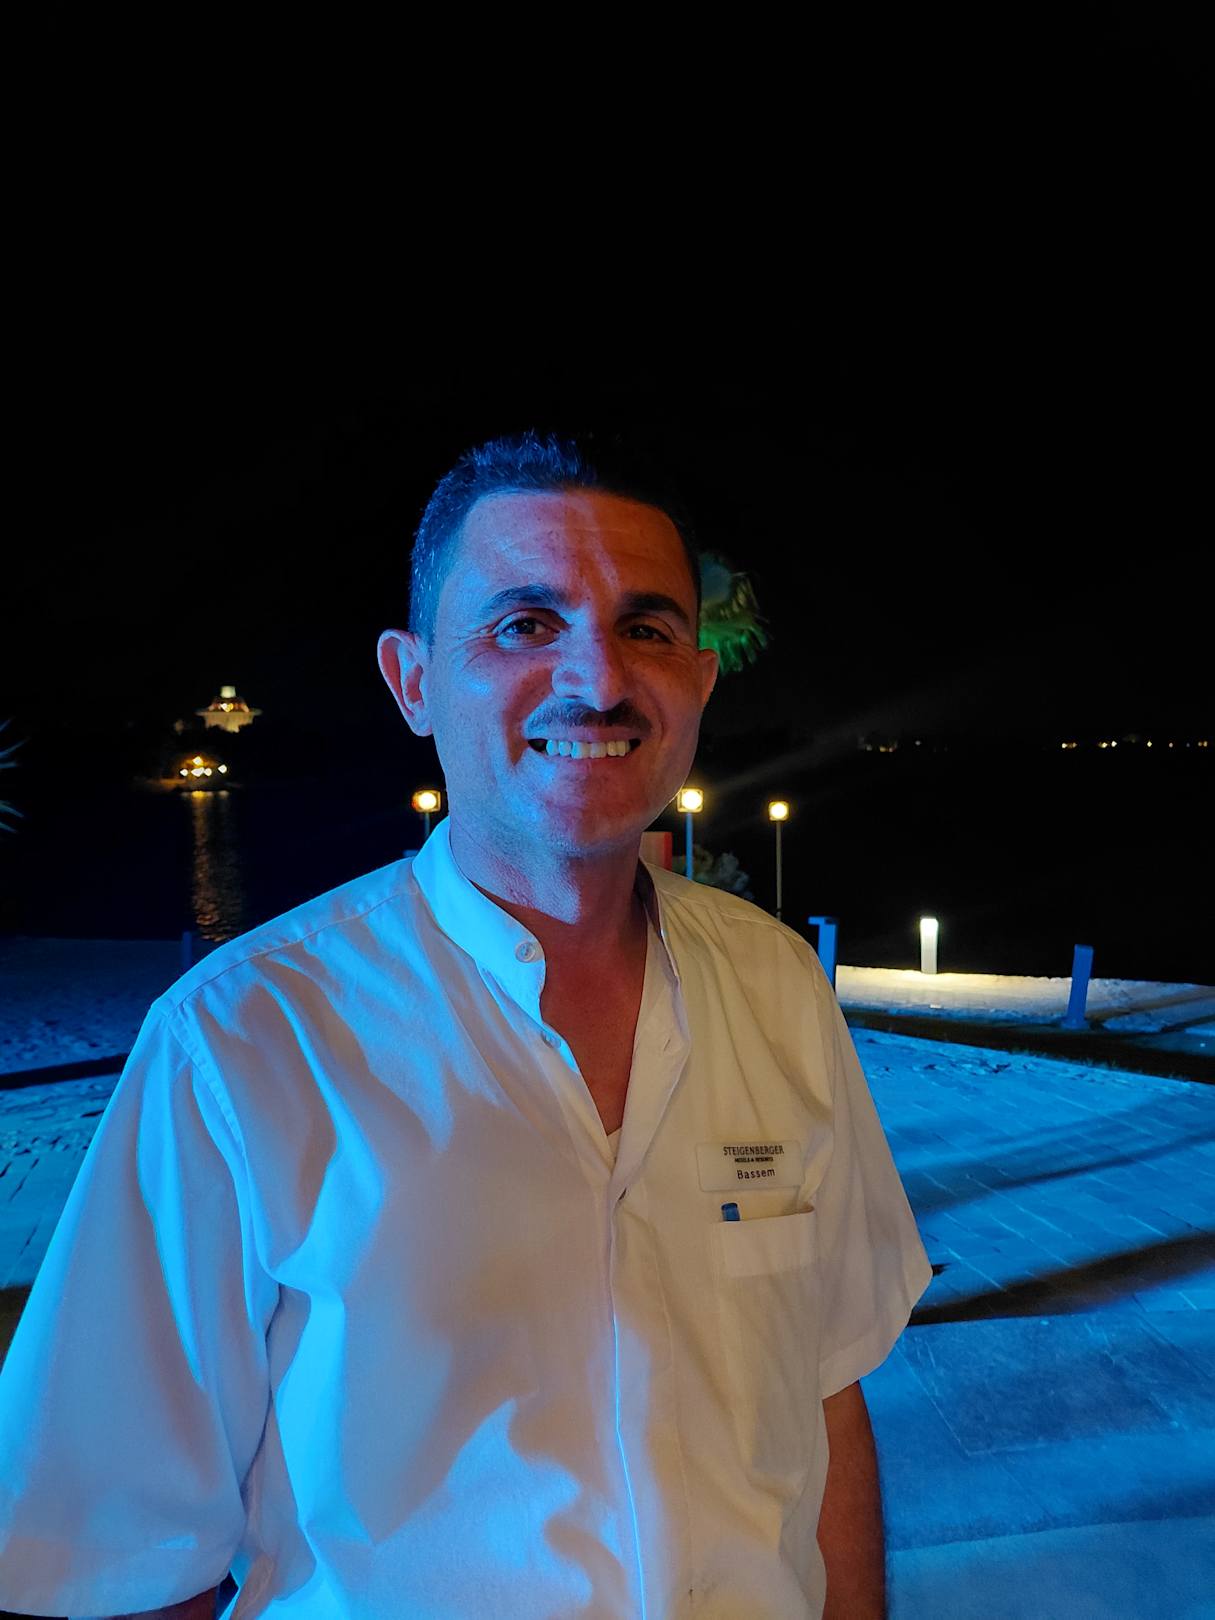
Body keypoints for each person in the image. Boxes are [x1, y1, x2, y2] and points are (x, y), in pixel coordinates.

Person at [0, 432, 932, 1619]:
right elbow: (117, 1556)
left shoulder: (778, 988)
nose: (597, 679)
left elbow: (826, 1394)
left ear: (699, 680)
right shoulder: (242, 1044)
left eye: (646, 628)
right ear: (413, 681)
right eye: (525, 624)